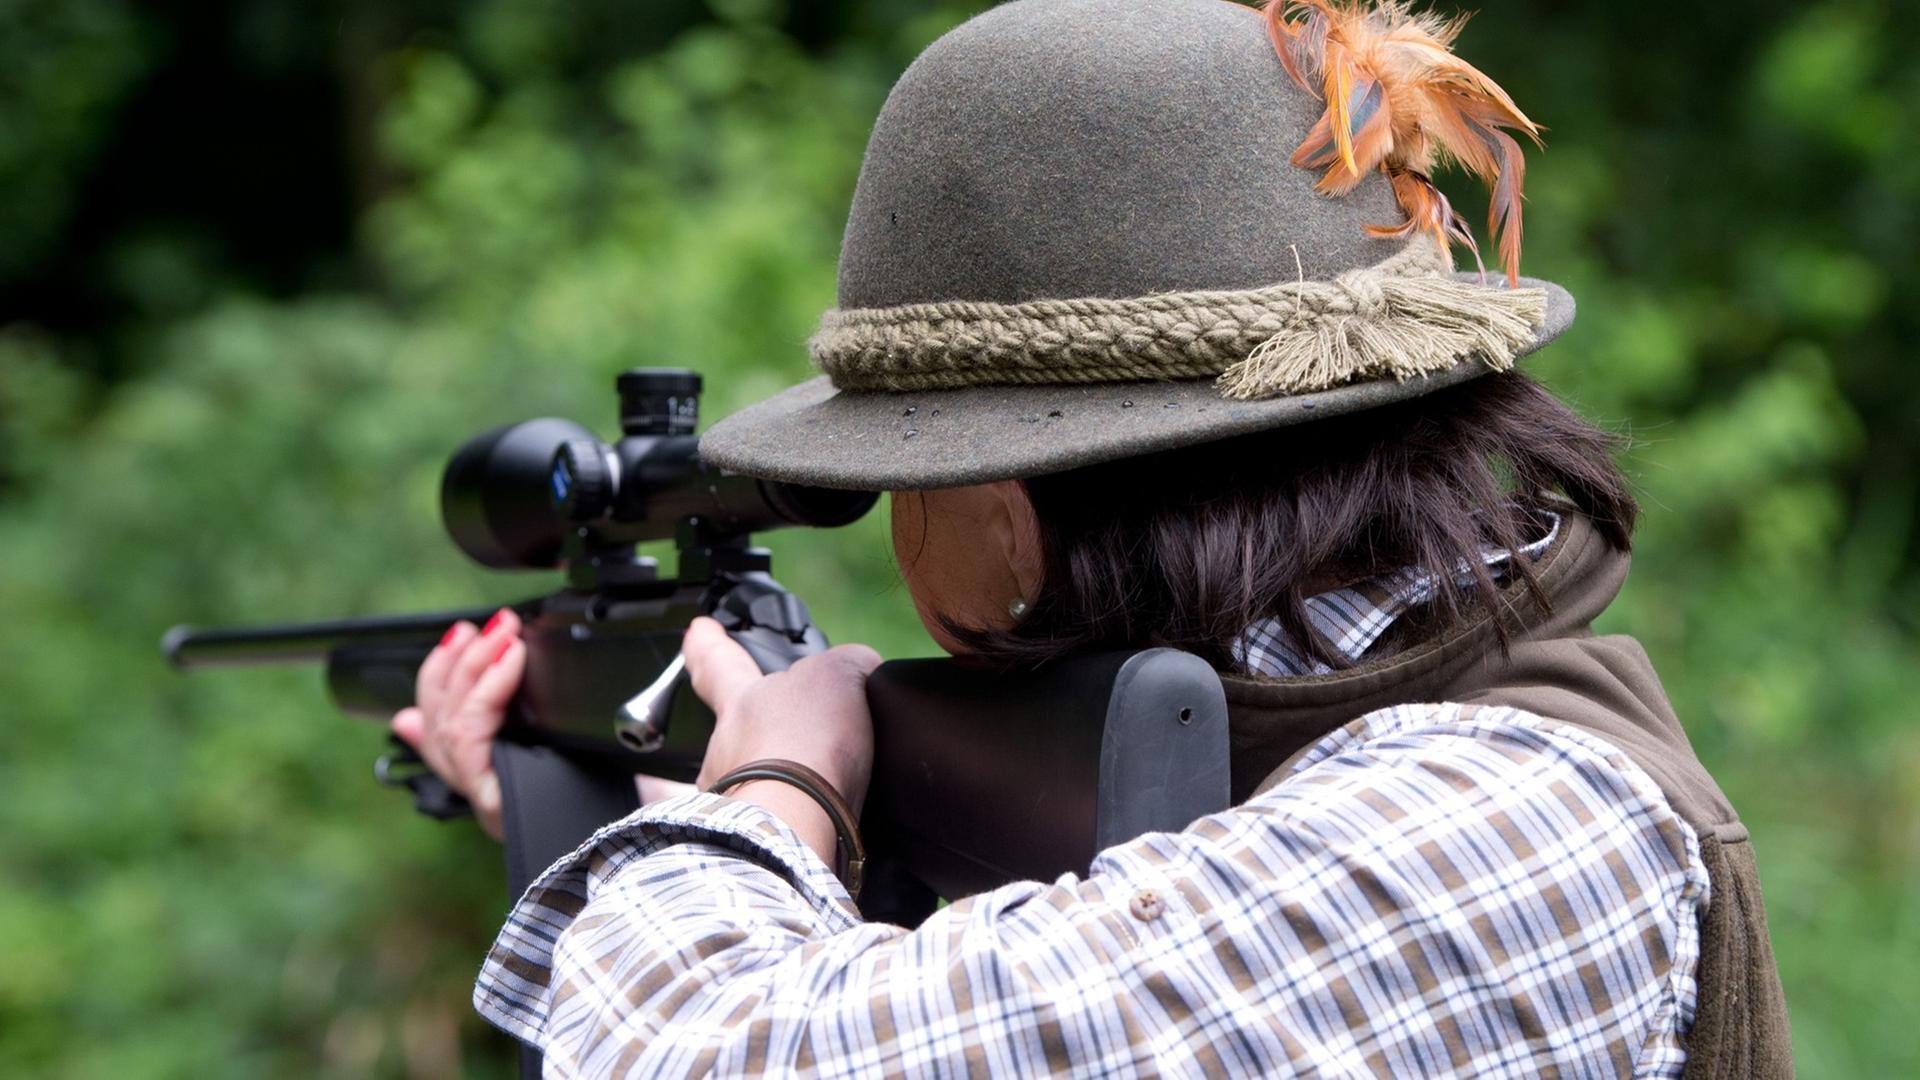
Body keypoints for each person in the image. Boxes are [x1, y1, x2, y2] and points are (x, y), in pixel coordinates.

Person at [391, 1, 1792, 1075]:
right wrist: (618, 828)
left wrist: (772, 788)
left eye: (900, 482)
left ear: (1005, 525)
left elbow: (708, 1052)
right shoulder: (1356, 787)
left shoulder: (1488, 830)